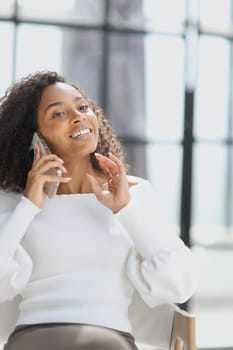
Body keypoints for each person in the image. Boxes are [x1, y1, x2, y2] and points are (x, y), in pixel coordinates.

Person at [0, 71, 196, 350]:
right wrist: (29, 206)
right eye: (58, 114)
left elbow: (180, 285)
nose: (78, 116)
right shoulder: (15, 200)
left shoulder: (134, 193)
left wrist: (126, 211)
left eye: (82, 107)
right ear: (32, 137)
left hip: (108, 338)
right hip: (32, 337)